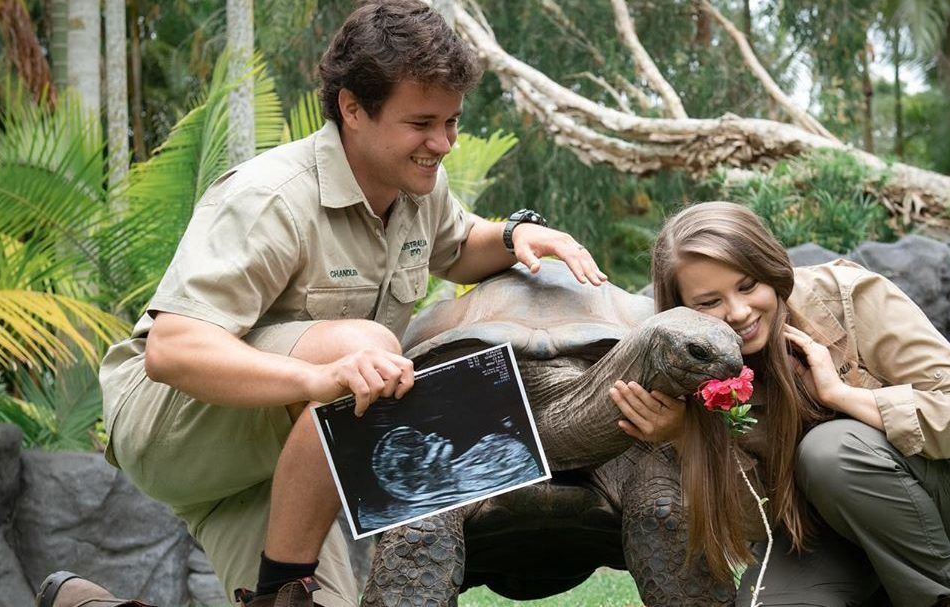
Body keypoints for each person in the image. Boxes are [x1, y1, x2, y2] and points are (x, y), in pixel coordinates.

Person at [42, 3, 606, 607]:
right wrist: (318, 379)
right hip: (174, 424)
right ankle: (279, 591)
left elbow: (457, 245)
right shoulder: (271, 198)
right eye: (422, 123)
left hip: (280, 467)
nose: (442, 142)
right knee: (368, 352)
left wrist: (515, 234)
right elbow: (173, 350)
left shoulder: (417, 188)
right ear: (353, 109)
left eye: (452, 122)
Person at [609, 201, 950, 607]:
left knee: (831, 451)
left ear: (772, 270)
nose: (739, 312)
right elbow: (761, 523)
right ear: (680, 311)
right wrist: (686, 440)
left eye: (748, 285)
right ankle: (882, 585)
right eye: (709, 303)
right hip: (820, 533)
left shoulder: (850, 297)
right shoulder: (692, 368)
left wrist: (841, 396)